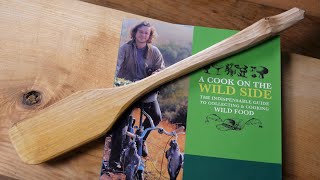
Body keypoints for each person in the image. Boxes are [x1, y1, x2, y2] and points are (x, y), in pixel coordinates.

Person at [108, 21, 165, 170]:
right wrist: (116, 81)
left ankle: (140, 141)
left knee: (156, 116)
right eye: (140, 32)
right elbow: (116, 66)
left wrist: (155, 74)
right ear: (134, 33)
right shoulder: (125, 49)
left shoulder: (154, 52)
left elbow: (161, 68)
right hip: (127, 90)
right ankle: (114, 162)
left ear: (149, 35)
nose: (143, 35)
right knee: (121, 125)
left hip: (146, 92)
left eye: (146, 33)